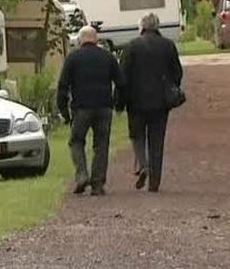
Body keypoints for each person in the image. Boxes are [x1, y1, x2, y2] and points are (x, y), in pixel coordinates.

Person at [115, 13, 183, 192]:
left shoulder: (131, 47)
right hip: (161, 103)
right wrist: (171, 89)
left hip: (136, 103)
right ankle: (155, 180)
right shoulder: (168, 45)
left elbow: (123, 77)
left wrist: (120, 103)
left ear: (142, 27)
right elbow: (177, 73)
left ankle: (143, 165)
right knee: (157, 140)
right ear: (157, 26)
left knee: (137, 136)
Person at [57, 25, 124, 196]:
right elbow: (121, 83)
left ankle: (81, 175)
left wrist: (64, 112)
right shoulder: (107, 57)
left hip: (81, 108)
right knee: (101, 145)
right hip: (104, 107)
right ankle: (97, 183)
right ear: (96, 39)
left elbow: (63, 86)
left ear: (80, 40)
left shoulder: (73, 58)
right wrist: (117, 103)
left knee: (76, 141)